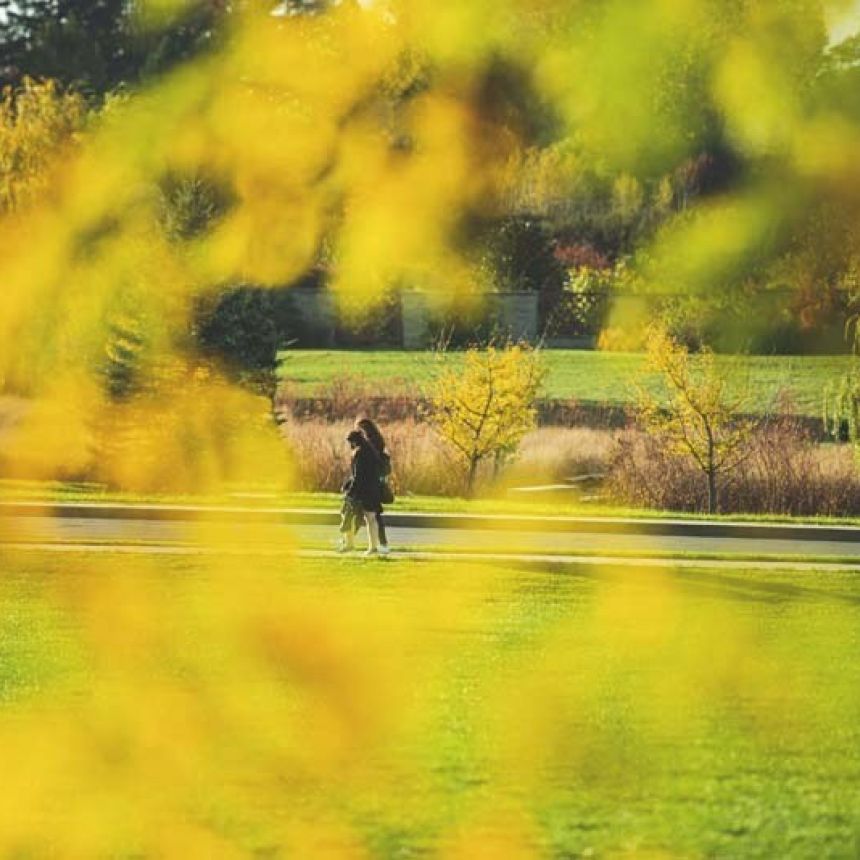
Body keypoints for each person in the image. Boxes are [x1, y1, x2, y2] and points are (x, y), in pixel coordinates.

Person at [338, 429, 383, 556]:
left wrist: (350, 491)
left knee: (347, 514)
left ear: (354, 441)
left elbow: (358, 476)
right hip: (373, 490)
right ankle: (373, 547)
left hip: (361, 491)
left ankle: (349, 544)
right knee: (371, 518)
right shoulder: (371, 451)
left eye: (350, 443)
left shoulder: (359, 453)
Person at [356, 417, 392, 555]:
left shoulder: (369, 445)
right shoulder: (378, 441)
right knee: (371, 514)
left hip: (370, 483)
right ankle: (381, 544)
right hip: (376, 482)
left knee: (369, 514)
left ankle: (380, 544)